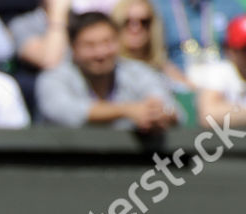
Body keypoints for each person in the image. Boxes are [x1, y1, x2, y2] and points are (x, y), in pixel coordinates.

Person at [36, 11, 178, 128]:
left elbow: (172, 108)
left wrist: (158, 113)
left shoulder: (138, 72)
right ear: (73, 48)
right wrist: (126, 110)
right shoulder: (53, 78)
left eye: (107, 42)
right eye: (90, 45)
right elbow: (64, 112)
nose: (100, 53)